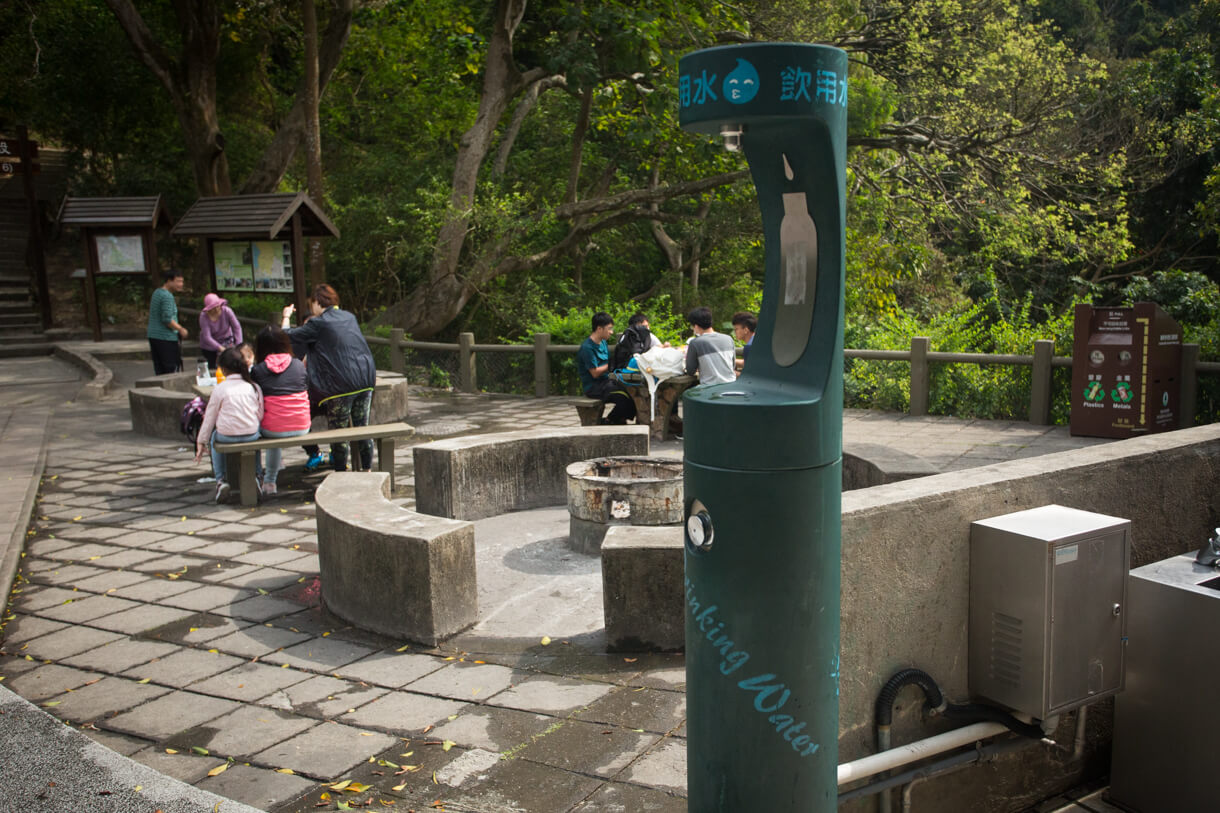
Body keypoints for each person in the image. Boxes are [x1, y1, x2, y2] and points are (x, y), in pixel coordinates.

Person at [280, 284, 377, 472]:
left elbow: (286, 336)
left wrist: (286, 317)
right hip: (365, 379)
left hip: (340, 385)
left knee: (339, 434)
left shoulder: (318, 323)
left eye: (312, 304)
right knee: (362, 428)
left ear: (317, 301)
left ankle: (341, 473)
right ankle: (367, 470)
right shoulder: (349, 317)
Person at [195, 347, 264, 503]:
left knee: (214, 437)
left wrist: (201, 441)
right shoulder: (253, 386)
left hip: (226, 437)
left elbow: (209, 419)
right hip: (251, 435)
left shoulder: (220, 389)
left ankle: (221, 480)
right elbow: (259, 415)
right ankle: (258, 476)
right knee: (257, 435)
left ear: (223, 369)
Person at [249, 326, 310, 497]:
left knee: (254, 429)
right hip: (302, 426)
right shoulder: (298, 365)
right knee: (276, 420)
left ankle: (265, 480)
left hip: (272, 430)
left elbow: (253, 400)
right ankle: (270, 477)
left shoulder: (258, 370)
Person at [577, 312, 636, 424]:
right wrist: (612, 364)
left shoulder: (603, 342)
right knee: (623, 398)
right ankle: (609, 421)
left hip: (607, 382)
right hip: (594, 387)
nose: (611, 332)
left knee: (633, 393)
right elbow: (594, 373)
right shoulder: (587, 348)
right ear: (599, 328)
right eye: (609, 329)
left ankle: (617, 420)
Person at [147, 270, 188, 374]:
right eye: (178, 281)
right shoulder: (167, 296)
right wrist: (180, 329)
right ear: (169, 281)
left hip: (154, 335)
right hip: (165, 337)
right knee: (170, 369)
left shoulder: (157, 292)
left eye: (182, 282)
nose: (181, 284)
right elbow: (167, 319)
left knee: (159, 368)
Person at [684, 307, 736, 385]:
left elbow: (690, 371)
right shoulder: (728, 339)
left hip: (709, 388)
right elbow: (733, 366)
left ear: (696, 326)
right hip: (731, 385)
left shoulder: (695, 343)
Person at [197, 293, 242, 370]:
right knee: (213, 368)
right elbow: (207, 337)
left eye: (217, 306)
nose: (216, 310)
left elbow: (236, 327)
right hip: (210, 346)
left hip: (227, 340)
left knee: (230, 365)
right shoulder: (203, 316)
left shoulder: (227, 311)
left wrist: (239, 345)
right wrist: (220, 348)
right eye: (213, 308)